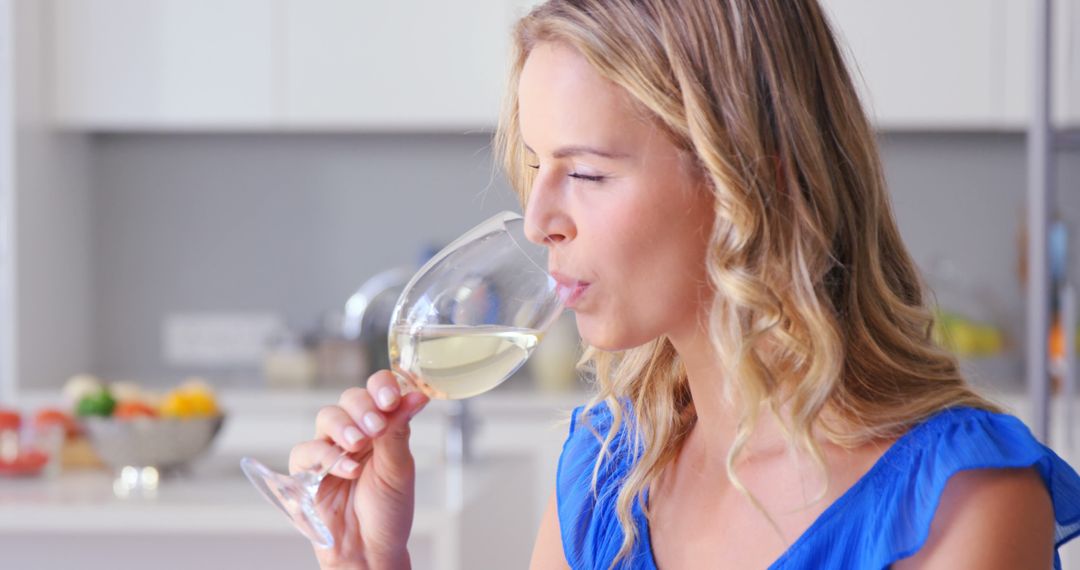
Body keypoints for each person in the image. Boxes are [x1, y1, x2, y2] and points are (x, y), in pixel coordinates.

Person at [289, 1, 1080, 568]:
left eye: (587, 172)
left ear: (752, 184)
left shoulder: (961, 503)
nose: (537, 220)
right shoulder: (604, 474)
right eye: (535, 167)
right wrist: (369, 560)